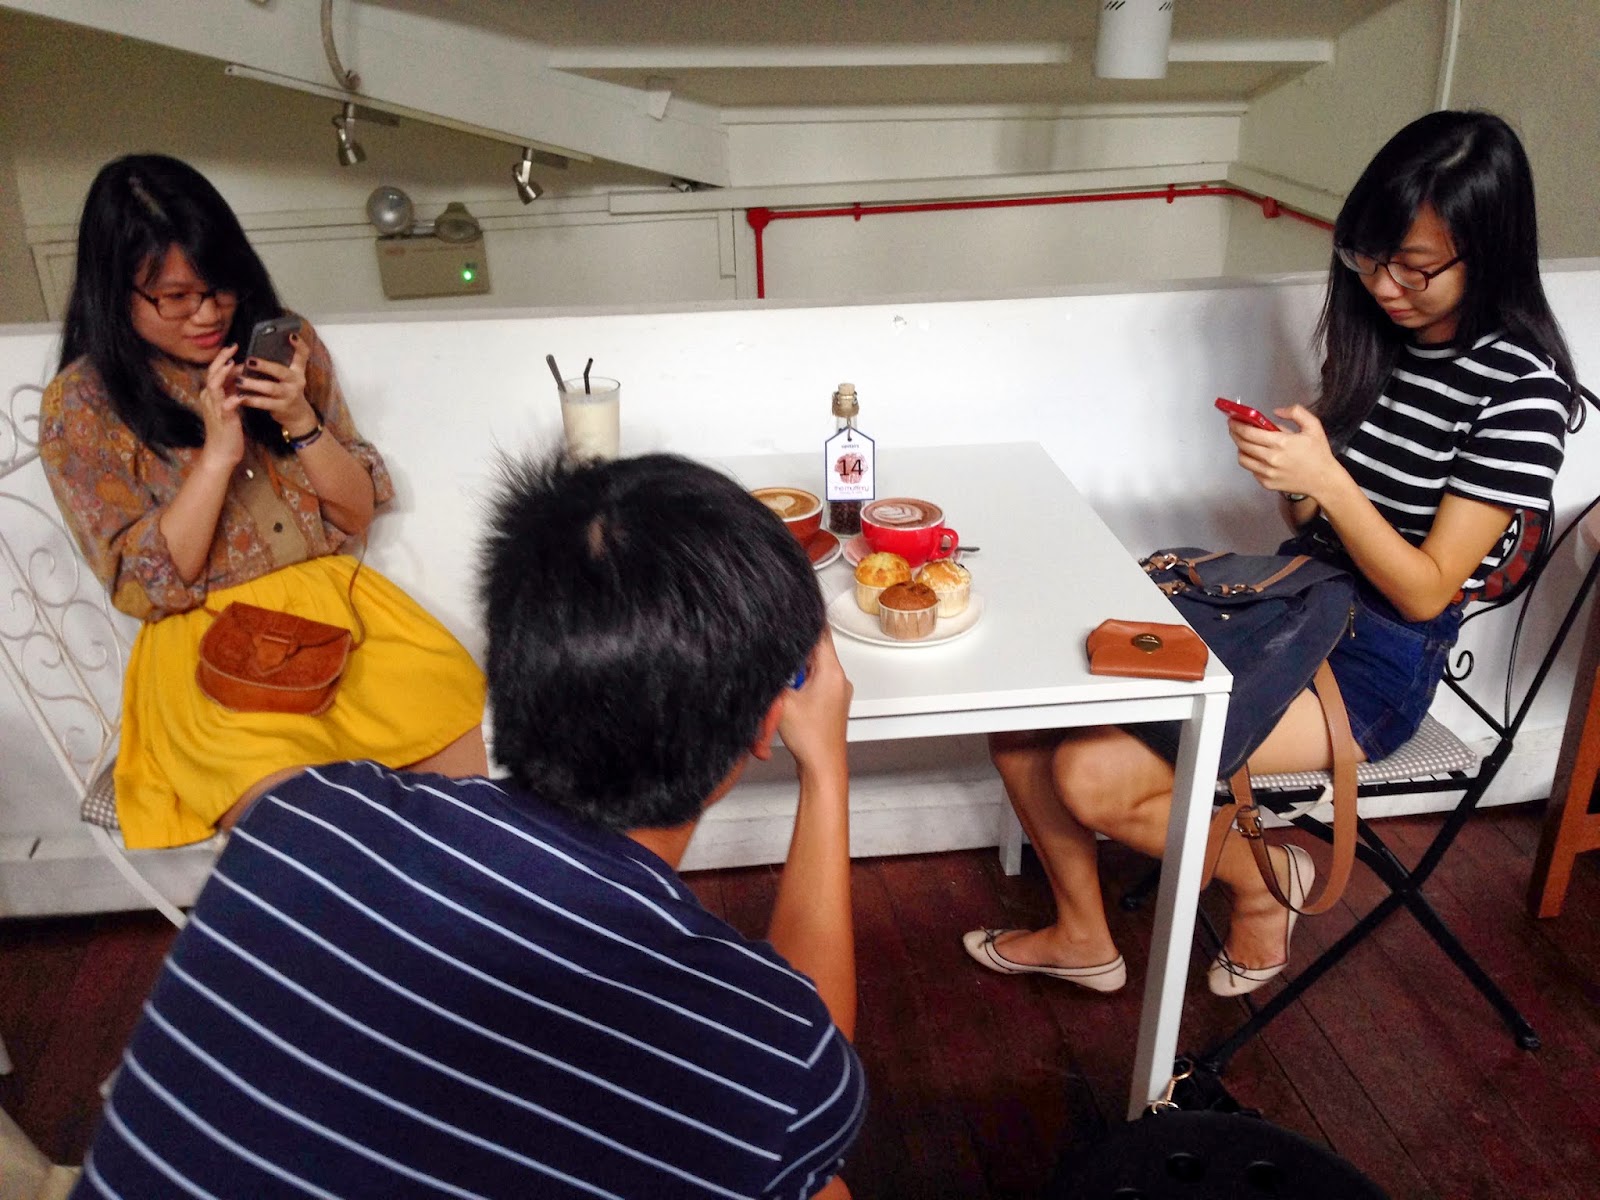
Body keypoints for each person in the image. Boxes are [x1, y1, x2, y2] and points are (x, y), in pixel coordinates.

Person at [70, 452, 866, 1200]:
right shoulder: (768, 1056)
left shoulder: (300, 823)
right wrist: (826, 767)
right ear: (766, 724)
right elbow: (803, 1079)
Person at [965, 110, 1582, 997]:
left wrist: (1328, 481)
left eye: (1414, 266)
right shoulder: (1388, 342)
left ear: (1489, 251)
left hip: (1377, 665)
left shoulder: (1521, 394)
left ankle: (1267, 883)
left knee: (1090, 774)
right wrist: (1294, 476)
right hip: (1292, 605)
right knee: (1025, 716)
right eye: (1368, 258)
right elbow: (1315, 528)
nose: (1384, 286)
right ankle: (1082, 935)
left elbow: (1424, 591)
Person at [40, 154, 488, 849]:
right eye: (175, 297)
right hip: (209, 649)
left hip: (339, 616)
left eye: (221, 287)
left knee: (458, 799)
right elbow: (149, 586)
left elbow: (354, 516)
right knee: (314, 833)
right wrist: (218, 456)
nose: (208, 314)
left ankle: (450, 911)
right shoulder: (82, 404)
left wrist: (301, 421)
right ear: (115, 288)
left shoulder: (286, 342)